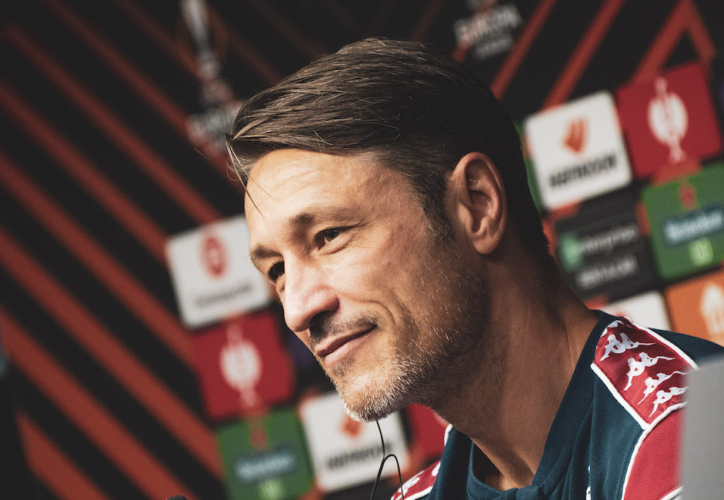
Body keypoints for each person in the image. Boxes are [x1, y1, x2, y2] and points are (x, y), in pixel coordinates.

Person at [226, 37, 724, 499]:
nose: (297, 309)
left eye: (329, 236)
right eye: (277, 270)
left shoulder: (695, 440)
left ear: (477, 204)